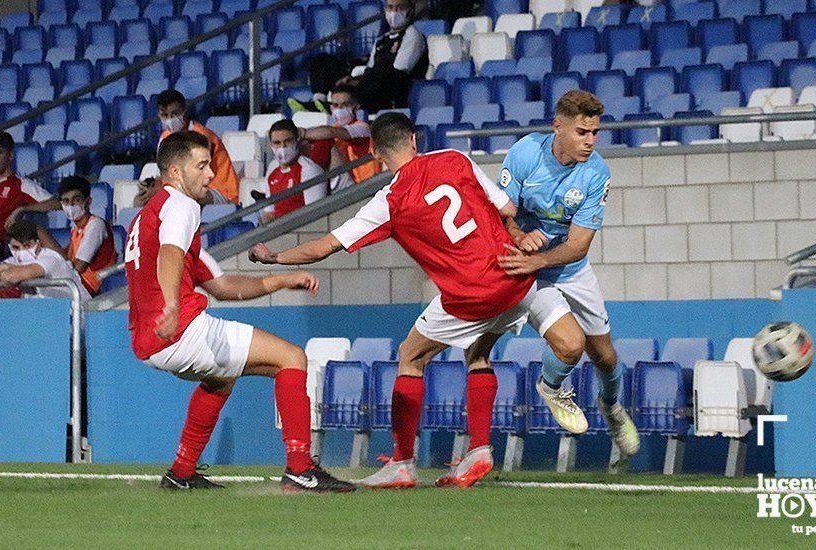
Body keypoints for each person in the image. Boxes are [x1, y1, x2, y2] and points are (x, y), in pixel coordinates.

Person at [249, 113, 587, 489]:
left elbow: (324, 247)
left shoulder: (389, 201)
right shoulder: (453, 158)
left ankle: (403, 462)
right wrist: (519, 235)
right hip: (517, 276)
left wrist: (274, 257)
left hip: (469, 296)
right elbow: (506, 209)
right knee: (492, 350)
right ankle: (480, 448)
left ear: (376, 153)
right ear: (413, 139)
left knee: (411, 355)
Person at [125, 130, 354, 493]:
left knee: (221, 378)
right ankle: (300, 469)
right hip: (180, 328)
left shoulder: (149, 216)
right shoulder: (180, 205)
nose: (210, 174)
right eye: (201, 166)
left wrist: (278, 282)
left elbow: (220, 286)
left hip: (151, 342)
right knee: (292, 357)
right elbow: (169, 254)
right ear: (174, 172)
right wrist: (171, 304)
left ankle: (182, 471)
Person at [497, 90, 640, 459]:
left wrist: (538, 259)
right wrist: (517, 237)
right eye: (582, 132)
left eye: (595, 133)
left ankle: (611, 407)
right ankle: (551, 386)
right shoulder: (526, 153)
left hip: (568, 268)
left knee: (606, 359)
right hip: (529, 273)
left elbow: (578, 245)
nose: (590, 141)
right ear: (557, 126)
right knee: (571, 345)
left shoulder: (597, 173)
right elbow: (501, 211)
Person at [298, 0, 427, 113]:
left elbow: (398, 72)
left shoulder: (412, 36)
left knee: (383, 66)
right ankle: (320, 102)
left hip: (394, 91)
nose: (394, 12)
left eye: (399, 7)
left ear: (410, 10)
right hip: (370, 85)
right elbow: (370, 72)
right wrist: (352, 80)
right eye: (390, 7)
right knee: (323, 60)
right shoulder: (381, 40)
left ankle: (351, 102)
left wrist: (357, 82)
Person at [147, 89, 239, 205]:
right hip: (189, 187)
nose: (169, 120)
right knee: (142, 199)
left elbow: (196, 178)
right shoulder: (164, 138)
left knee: (180, 196)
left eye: (174, 114)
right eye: (164, 115)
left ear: (184, 111)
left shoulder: (201, 136)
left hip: (220, 191)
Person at [298, 86, 382, 191]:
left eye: (345, 105)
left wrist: (301, 133)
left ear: (356, 107)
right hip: (346, 182)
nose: (339, 109)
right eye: (335, 105)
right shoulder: (334, 129)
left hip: (366, 184)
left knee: (326, 141)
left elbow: (331, 132)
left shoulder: (363, 128)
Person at [0, 132, 59, 258]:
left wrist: (23, 209)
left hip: (1, 246)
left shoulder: (21, 184)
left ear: (10, 155)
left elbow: (57, 203)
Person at [0, 219, 89, 302]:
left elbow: (10, 276)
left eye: (27, 245)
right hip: (50, 315)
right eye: (16, 247)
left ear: (39, 243)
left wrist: (3, 271)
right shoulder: (15, 261)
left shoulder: (51, 258)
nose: (22, 251)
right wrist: (4, 266)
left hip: (81, 316)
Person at [53, 176, 117, 296]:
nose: (71, 205)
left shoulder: (96, 225)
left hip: (90, 289)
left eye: (76, 200)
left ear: (88, 202)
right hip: (77, 285)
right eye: (66, 201)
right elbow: (64, 258)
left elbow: (78, 267)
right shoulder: (75, 229)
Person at [261, 120, 326, 224]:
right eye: (277, 143)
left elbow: (314, 215)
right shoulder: (272, 168)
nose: (283, 147)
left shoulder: (310, 170)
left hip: (299, 231)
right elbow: (269, 212)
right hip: (275, 232)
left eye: (288, 141)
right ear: (271, 145)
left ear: (297, 141)